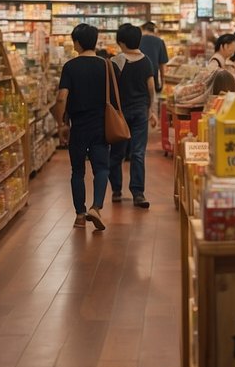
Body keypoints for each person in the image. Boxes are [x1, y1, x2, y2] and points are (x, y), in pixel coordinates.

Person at [54, 23, 111, 232]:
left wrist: (61, 123)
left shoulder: (70, 67)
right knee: (102, 168)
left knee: (77, 171)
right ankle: (96, 207)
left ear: (77, 42)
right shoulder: (107, 65)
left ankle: (80, 214)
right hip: (101, 124)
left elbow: (62, 98)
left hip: (78, 125)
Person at [107, 24, 157, 209]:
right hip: (140, 112)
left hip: (119, 114)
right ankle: (138, 193)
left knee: (116, 154)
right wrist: (151, 111)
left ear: (121, 42)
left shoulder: (116, 61)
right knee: (138, 153)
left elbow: (110, 89)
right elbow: (151, 88)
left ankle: (116, 191)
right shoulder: (147, 61)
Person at [140, 21, 169, 91]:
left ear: (143, 29)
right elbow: (162, 64)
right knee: (153, 98)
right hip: (153, 76)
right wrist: (162, 81)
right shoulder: (159, 41)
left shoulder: (137, 40)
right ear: (154, 30)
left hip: (138, 76)